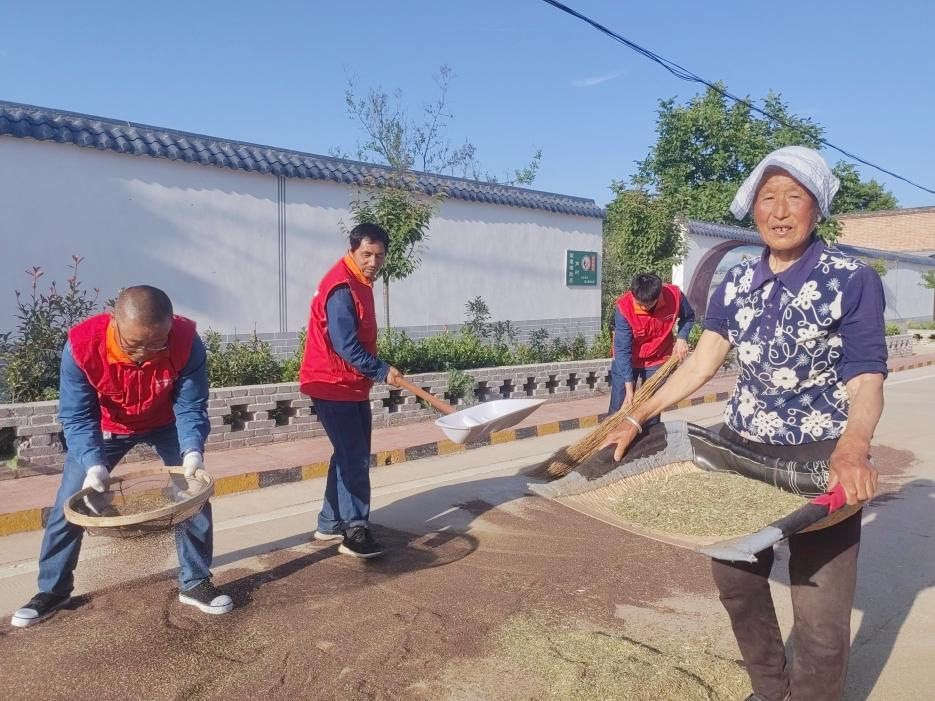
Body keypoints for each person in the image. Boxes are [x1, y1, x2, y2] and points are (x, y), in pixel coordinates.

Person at [601, 145, 887, 701]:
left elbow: (866, 377)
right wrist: (636, 415)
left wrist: (853, 446)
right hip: (741, 452)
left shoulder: (851, 279)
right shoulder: (735, 280)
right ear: (753, 208)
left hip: (821, 459)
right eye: (767, 198)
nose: (779, 211)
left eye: (794, 197)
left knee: (822, 617)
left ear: (817, 208)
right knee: (735, 581)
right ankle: (768, 687)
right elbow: (703, 360)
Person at [11, 286, 232, 628]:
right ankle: (53, 591)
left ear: (170, 327)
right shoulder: (83, 346)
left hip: (166, 423)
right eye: (133, 345)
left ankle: (195, 583)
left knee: (193, 496)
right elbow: (78, 415)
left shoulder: (187, 341)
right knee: (68, 506)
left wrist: (192, 451)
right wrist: (93, 465)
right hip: (109, 427)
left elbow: (190, 404)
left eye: (156, 344)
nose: (143, 355)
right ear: (114, 321)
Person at [300, 223, 402, 559]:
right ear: (353, 250)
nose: (374, 261)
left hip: (351, 383)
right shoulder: (341, 286)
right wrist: (381, 370)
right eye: (367, 254)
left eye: (380, 255)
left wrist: (372, 372)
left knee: (347, 454)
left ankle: (330, 523)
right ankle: (355, 531)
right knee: (354, 456)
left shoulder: (361, 280)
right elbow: (345, 344)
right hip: (331, 383)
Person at [608, 273, 695, 414]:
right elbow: (622, 349)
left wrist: (682, 338)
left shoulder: (674, 296)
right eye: (638, 303)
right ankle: (614, 435)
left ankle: (651, 435)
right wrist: (630, 387)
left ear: (658, 296)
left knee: (651, 408)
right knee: (620, 406)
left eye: (647, 304)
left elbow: (689, 317)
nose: (642, 308)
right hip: (627, 361)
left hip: (657, 359)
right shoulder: (624, 307)